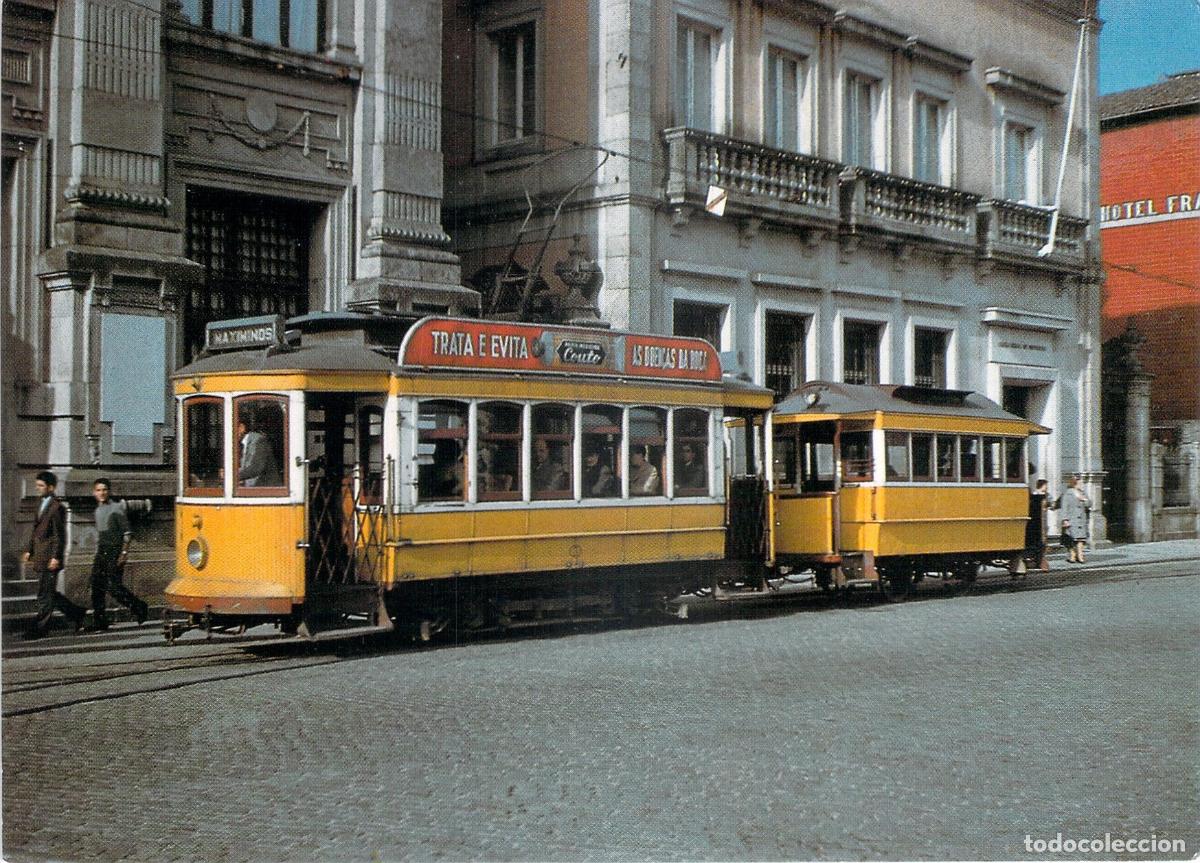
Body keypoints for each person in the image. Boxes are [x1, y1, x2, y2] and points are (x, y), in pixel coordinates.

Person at [23, 471, 86, 638]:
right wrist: (30, 550)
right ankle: (77, 613)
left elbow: (60, 535)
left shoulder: (57, 507)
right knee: (48, 591)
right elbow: (36, 530)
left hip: (50, 558)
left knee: (45, 593)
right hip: (40, 555)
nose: (38, 489)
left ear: (51, 487)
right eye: (37, 486)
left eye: (41, 486)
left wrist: (56, 557)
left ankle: (40, 629)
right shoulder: (40, 504)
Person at [88, 478, 149, 630]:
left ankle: (139, 607)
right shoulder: (97, 510)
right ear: (94, 492)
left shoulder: (116, 508)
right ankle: (100, 621)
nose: (102, 493)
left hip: (115, 551)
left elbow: (127, 533)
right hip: (102, 551)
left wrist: (123, 553)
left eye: (104, 490)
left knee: (113, 587)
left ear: (109, 492)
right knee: (96, 587)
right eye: (99, 490)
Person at [1052, 475, 1092, 563]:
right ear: (1075, 483)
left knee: (1080, 539)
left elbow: (1089, 504)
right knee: (1070, 538)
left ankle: (1080, 556)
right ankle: (1072, 554)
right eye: (1080, 483)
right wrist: (1065, 519)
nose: (1082, 484)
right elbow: (1064, 507)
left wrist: (1084, 500)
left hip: (1081, 519)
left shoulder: (1083, 493)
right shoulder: (1067, 493)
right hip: (1071, 518)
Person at [237, 417, 281, 487]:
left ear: (241, 428)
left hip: (267, 491)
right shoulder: (243, 443)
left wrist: (231, 476)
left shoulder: (259, 441)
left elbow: (256, 468)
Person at [1025, 478, 1050, 571]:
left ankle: (1039, 561)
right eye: (1046, 485)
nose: (1047, 487)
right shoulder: (1037, 496)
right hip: (1036, 522)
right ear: (1042, 486)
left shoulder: (1045, 496)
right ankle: (1038, 561)